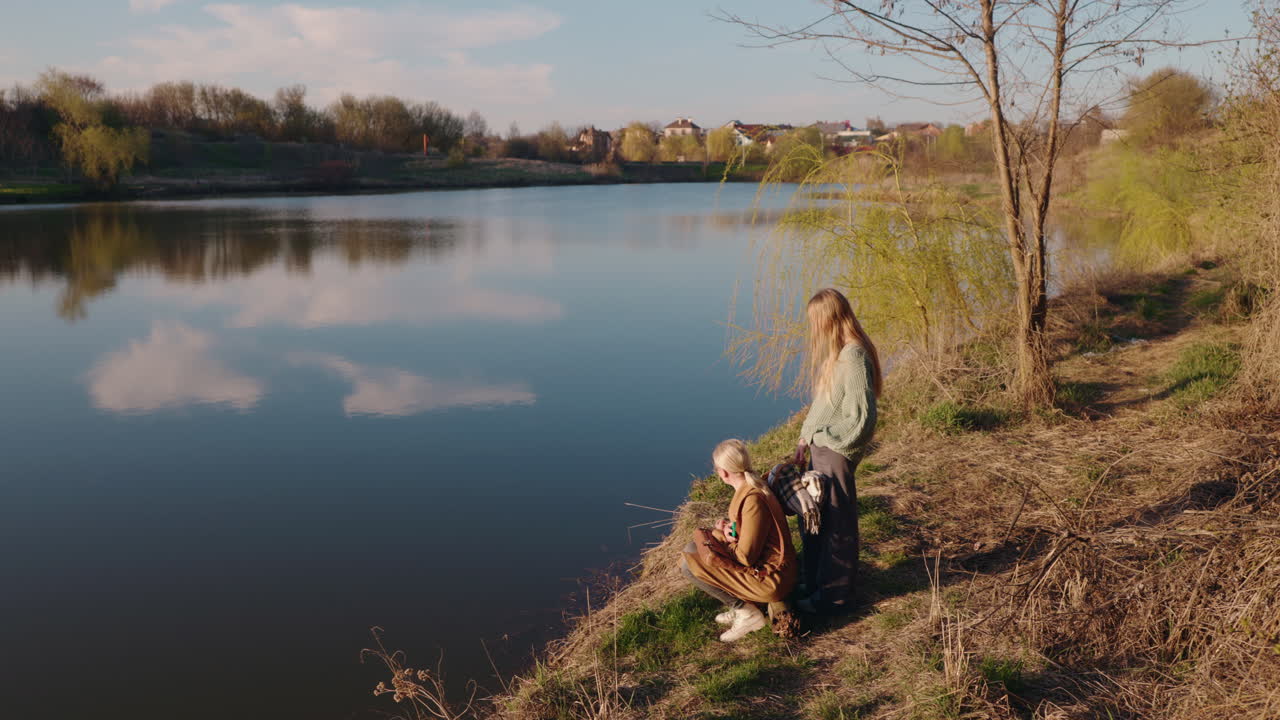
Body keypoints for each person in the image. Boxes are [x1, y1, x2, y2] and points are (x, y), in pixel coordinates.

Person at [793, 288, 882, 614]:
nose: (813, 329)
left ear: (830, 319)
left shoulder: (854, 356)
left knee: (837, 526)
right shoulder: (840, 354)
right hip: (822, 450)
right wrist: (806, 438)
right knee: (815, 519)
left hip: (834, 452)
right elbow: (826, 404)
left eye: (816, 321)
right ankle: (815, 585)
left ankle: (833, 600)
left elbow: (862, 418)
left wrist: (826, 439)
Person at [680, 439, 798, 642]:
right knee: (692, 548)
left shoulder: (752, 500)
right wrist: (727, 531)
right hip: (769, 569)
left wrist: (721, 537)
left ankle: (747, 613)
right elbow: (750, 533)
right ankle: (744, 607)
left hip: (772, 578)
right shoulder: (752, 488)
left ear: (723, 473)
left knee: (687, 563)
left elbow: (745, 557)